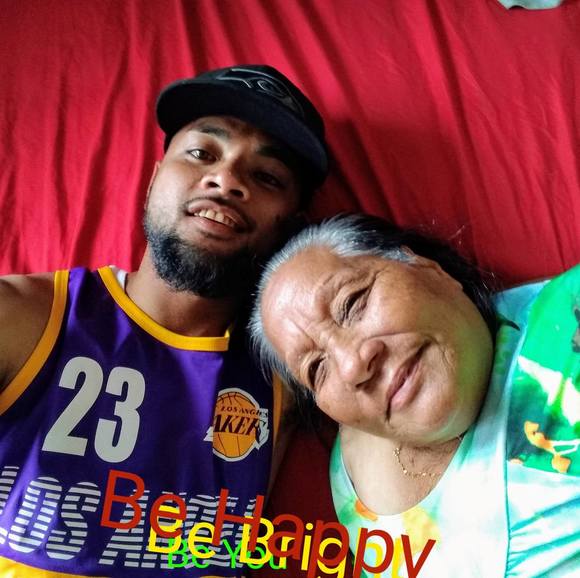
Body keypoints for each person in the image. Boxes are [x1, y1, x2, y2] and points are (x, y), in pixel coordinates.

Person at [0, 64, 328, 577]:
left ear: (292, 226)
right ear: (155, 179)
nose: (226, 179)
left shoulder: (293, 371)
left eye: (266, 176)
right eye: (201, 153)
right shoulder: (26, 316)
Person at [250, 213, 580, 577]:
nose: (352, 366)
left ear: (428, 267)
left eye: (353, 304)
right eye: (317, 368)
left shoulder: (566, 324)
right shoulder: (351, 484)